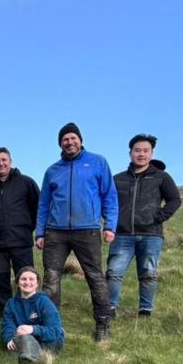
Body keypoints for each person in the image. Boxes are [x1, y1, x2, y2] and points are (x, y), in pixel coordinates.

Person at [36, 122, 118, 341]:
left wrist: (110, 225)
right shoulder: (52, 170)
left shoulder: (98, 162)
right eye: (65, 139)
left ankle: (103, 324)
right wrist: (40, 233)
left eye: (73, 138)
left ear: (80, 140)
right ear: (60, 143)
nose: (69, 142)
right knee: (51, 279)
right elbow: (44, 203)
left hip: (88, 230)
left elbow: (109, 195)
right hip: (55, 232)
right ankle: (52, 326)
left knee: (95, 277)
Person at [106, 133, 182, 318]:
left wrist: (159, 217)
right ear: (130, 153)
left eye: (146, 151)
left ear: (152, 153)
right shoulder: (118, 179)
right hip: (122, 235)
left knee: (148, 274)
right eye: (137, 150)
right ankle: (110, 308)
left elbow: (174, 200)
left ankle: (145, 310)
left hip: (151, 235)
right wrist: (110, 223)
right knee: (113, 272)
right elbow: (108, 202)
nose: (141, 154)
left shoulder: (161, 177)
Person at [0, 148, 40, 315]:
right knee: (0, 280)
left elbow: (37, 208)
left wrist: (27, 228)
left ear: (10, 161)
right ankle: (7, 312)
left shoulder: (26, 182)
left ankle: (27, 311)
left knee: (26, 279)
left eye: (4, 160)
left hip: (21, 242)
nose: (1, 163)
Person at [2, 267, 65, 364]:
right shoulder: (11, 304)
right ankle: (31, 356)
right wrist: (9, 338)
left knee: (54, 339)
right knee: (16, 343)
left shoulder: (44, 302)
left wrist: (33, 329)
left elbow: (55, 330)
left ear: (37, 284)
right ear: (17, 283)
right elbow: (7, 325)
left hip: (46, 338)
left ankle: (31, 356)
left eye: (31, 279)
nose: (27, 282)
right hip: (23, 338)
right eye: (23, 279)